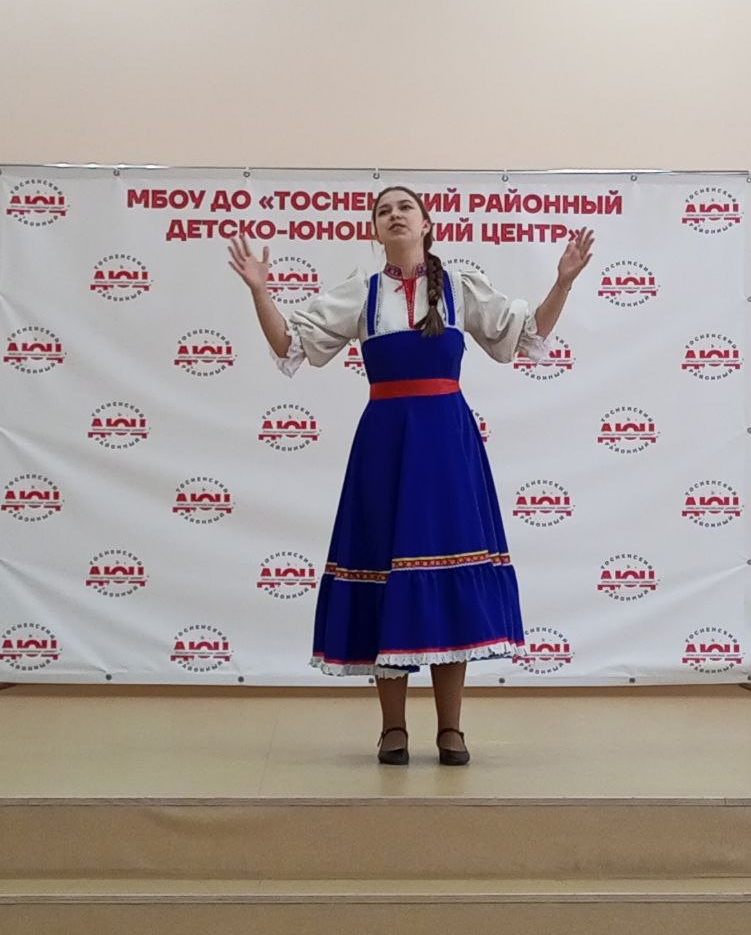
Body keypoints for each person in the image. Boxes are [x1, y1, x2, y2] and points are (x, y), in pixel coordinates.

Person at [228, 186, 593, 765]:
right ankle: (392, 729)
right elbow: (291, 344)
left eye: (405, 208)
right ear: (374, 230)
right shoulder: (361, 292)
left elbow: (524, 336)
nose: (394, 215)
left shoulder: (461, 287)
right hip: (385, 446)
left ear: (426, 223)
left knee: (449, 575)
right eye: (383, 211)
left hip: (447, 445)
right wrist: (260, 291)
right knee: (384, 573)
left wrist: (563, 282)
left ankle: (451, 729)